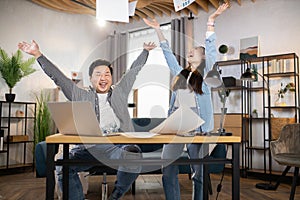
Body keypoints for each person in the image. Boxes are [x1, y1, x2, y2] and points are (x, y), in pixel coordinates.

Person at [18, 40, 156, 200]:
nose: (103, 78)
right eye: (98, 74)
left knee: (133, 154)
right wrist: (38, 55)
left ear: (112, 78)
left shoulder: (120, 91)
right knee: (63, 164)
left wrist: (145, 51)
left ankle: (116, 196)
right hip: (89, 148)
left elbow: (134, 71)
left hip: (117, 148)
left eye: (107, 74)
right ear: (91, 78)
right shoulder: (81, 95)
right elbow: (58, 78)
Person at [143, 3, 229, 200]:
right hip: (176, 128)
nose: (190, 51)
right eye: (189, 50)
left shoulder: (207, 75)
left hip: (198, 129)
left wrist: (211, 21)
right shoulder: (180, 74)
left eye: (195, 50)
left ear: (203, 56)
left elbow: (211, 48)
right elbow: (168, 54)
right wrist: (158, 29)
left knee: (198, 173)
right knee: (168, 169)